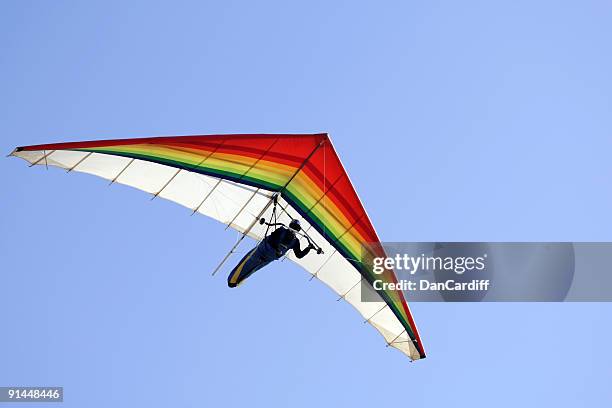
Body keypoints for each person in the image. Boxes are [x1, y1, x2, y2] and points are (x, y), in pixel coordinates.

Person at [227, 219, 315, 287]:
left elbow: (299, 255)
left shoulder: (295, 241)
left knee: (253, 268)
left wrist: (308, 248)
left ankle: (235, 282)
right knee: (247, 263)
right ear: (290, 226)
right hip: (263, 250)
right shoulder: (282, 230)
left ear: (298, 230)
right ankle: (232, 280)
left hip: (268, 257)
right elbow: (271, 238)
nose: (294, 229)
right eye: (293, 227)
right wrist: (277, 249)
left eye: (296, 228)